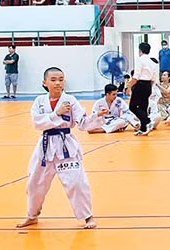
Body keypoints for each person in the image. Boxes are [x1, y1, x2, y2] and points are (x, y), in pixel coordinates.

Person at [16, 67, 107, 230]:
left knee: (76, 182)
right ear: (44, 83)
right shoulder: (39, 102)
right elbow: (37, 123)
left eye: (61, 79)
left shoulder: (70, 100)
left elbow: (83, 123)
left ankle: (88, 217)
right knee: (34, 183)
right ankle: (32, 215)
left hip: (66, 146)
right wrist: (56, 114)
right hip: (44, 147)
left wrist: (96, 116)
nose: (58, 83)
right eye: (53, 80)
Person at [127, 42, 159, 136]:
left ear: (140, 50)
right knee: (143, 107)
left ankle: (147, 121)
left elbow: (136, 76)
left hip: (140, 84)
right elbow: (154, 78)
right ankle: (143, 128)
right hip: (148, 85)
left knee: (132, 106)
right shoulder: (153, 62)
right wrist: (149, 86)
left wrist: (128, 86)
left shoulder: (140, 59)